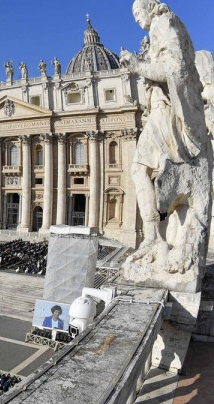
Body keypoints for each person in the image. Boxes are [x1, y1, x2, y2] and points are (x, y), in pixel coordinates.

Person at [120, 0, 211, 273]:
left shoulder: (164, 23)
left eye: (138, 13)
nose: (137, 19)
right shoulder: (161, 26)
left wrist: (138, 66)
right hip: (160, 108)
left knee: (139, 169)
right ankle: (152, 238)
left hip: (167, 110)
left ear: (150, 7)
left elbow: (176, 70)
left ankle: (152, 238)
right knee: (139, 170)